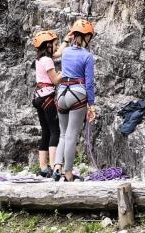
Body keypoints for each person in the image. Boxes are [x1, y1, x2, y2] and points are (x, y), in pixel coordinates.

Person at [53, 19, 97, 182]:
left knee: (63, 135)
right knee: (71, 135)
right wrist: (91, 105)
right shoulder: (87, 57)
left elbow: (58, 59)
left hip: (62, 93)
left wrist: (66, 40)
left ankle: (57, 167)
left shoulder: (66, 52)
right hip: (77, 93)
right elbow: (89, 83)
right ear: (86, 37)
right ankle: (69, 173)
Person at [32, 31, 62, 178]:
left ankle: (43, 167)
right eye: (55, 44)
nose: (56, 47)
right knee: (55, 131)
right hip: (47, 98)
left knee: (45, 131)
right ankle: (53, 166)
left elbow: (57, 54)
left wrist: (66, 42)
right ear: (48, 45)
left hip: (38, 98)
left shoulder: (40, 59)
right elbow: (55, 80)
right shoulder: (48, 61)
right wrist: (64, 72)